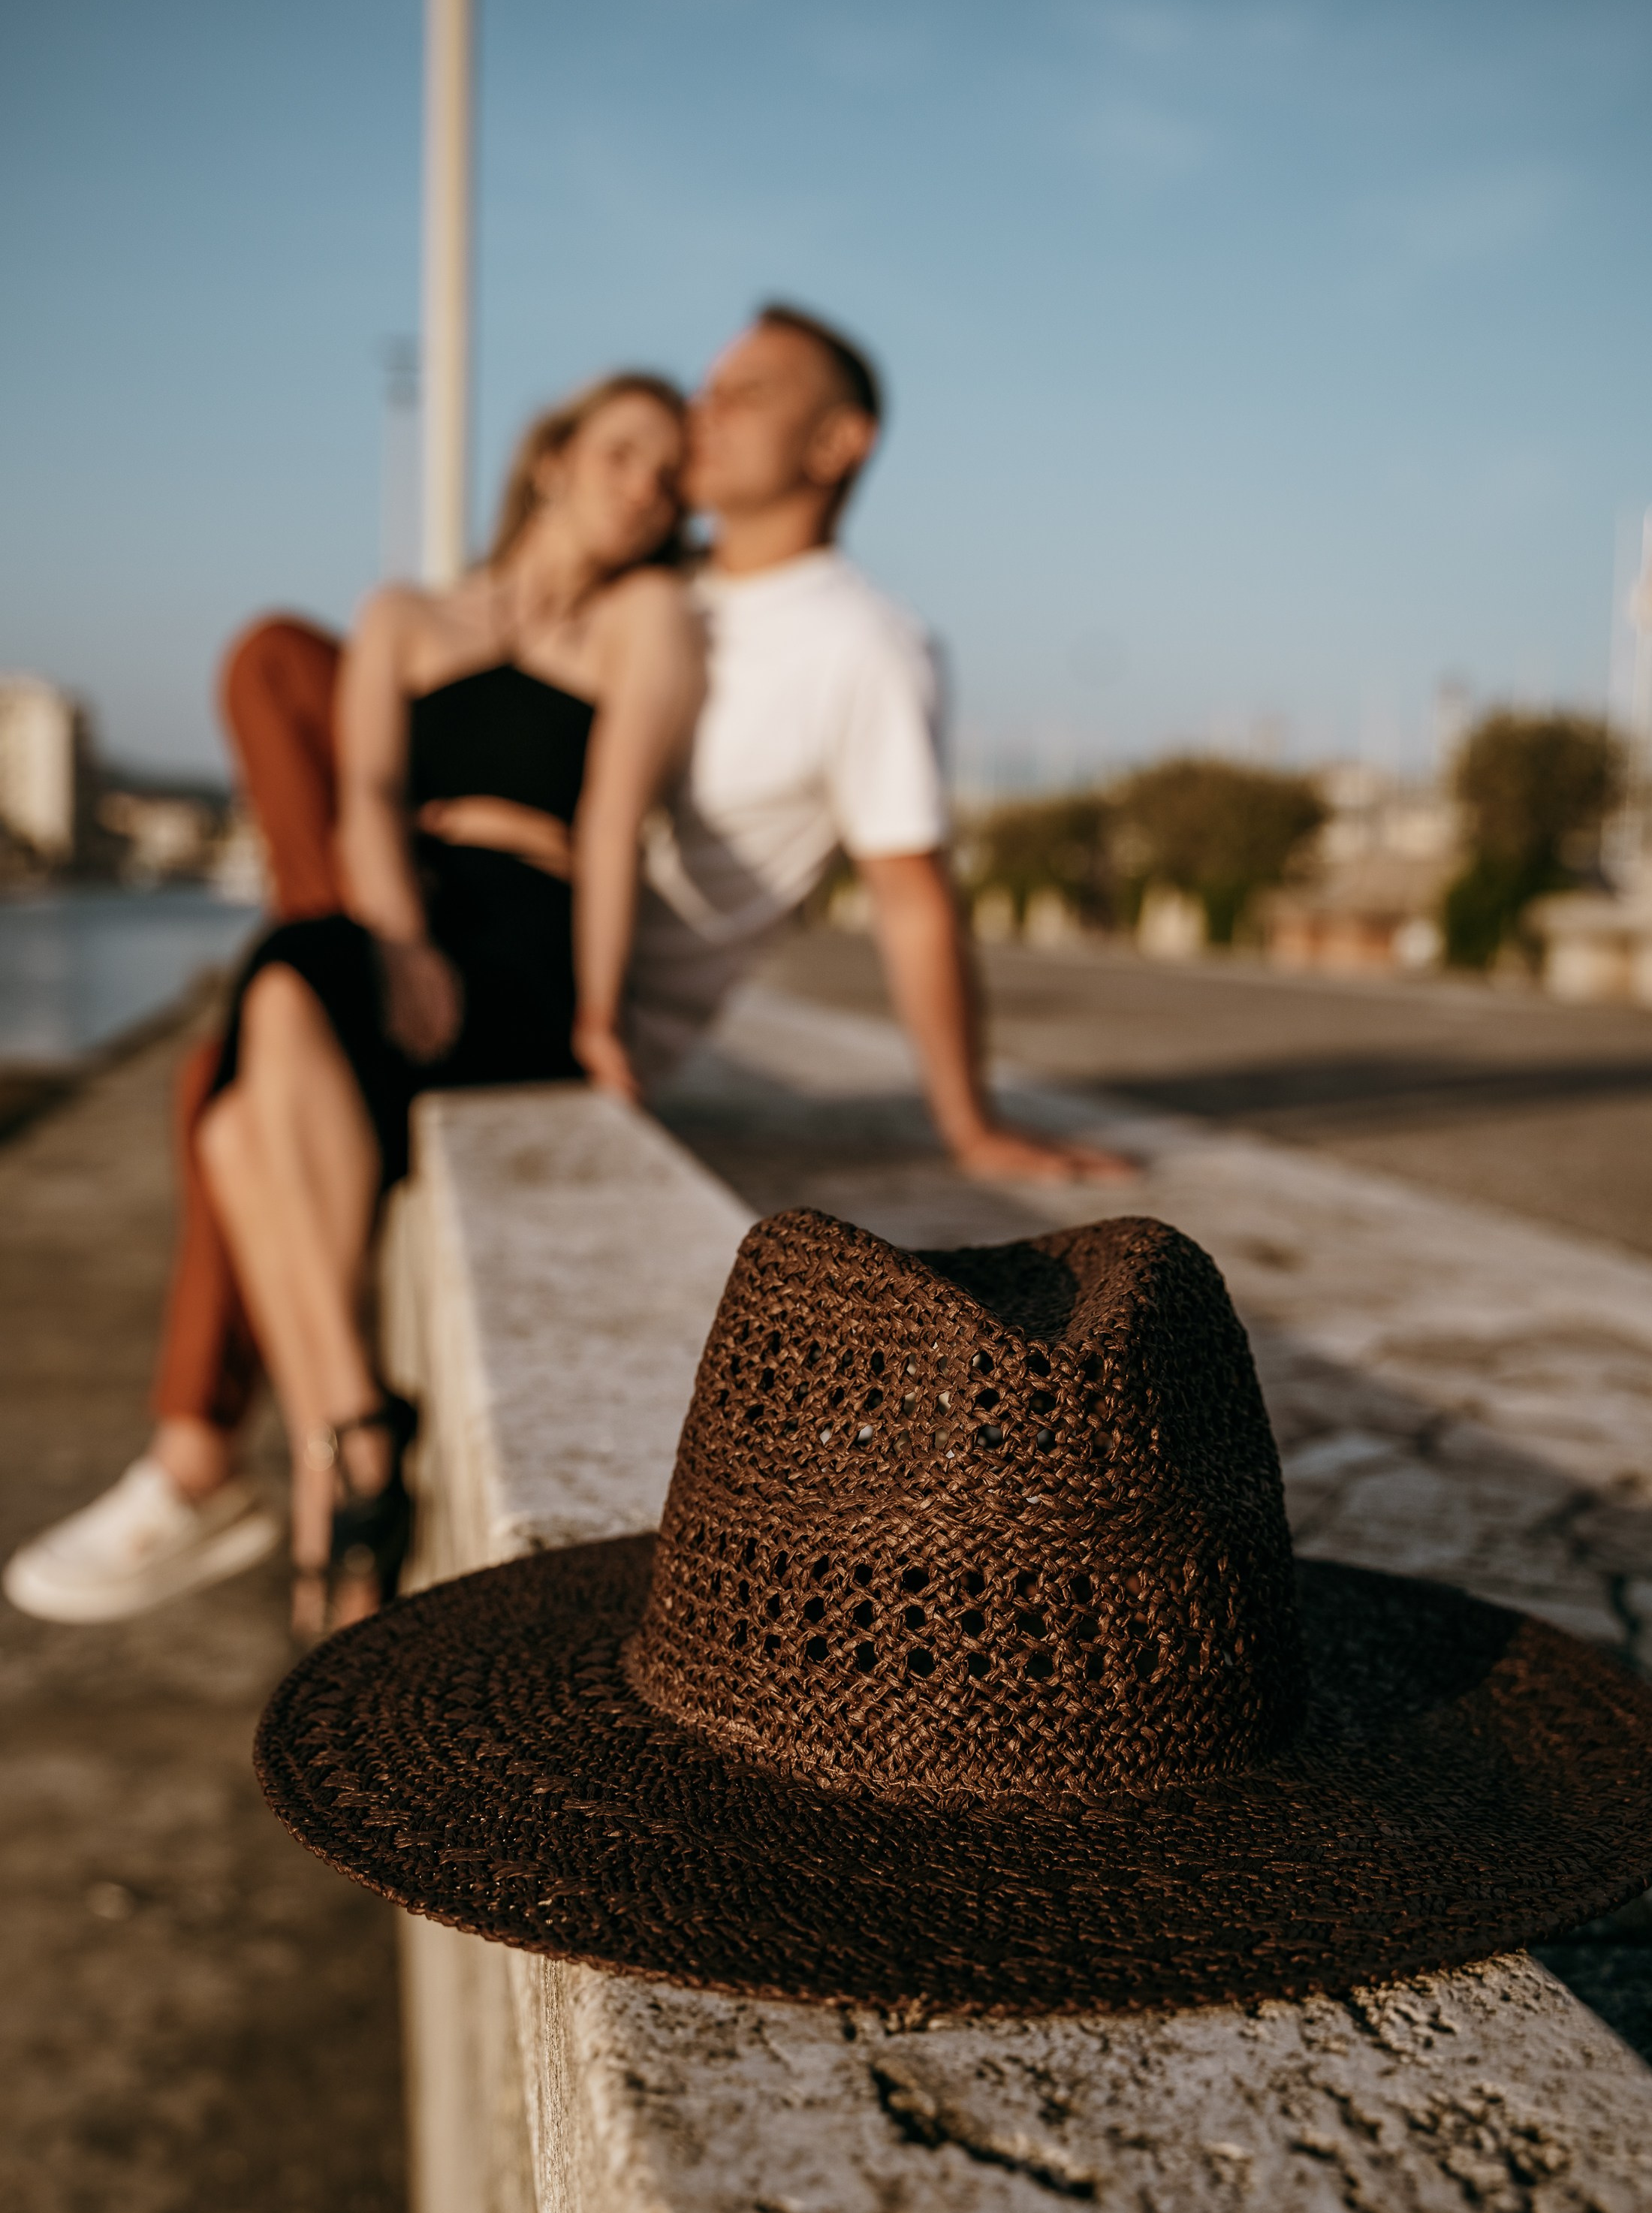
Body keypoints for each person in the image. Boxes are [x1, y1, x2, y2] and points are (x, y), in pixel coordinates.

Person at [5, 303, 1130, 1630]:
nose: (698, 427)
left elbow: (908, 892)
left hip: (555, 968)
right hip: (434, 908)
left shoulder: (851, 643)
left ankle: (221, 1451)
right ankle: (332, 1400)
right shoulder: (675, 579)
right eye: (681, 409)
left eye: (741, 395)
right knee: (274, 680)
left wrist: (968, 1119)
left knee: (239, 1075)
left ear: (838, 442)